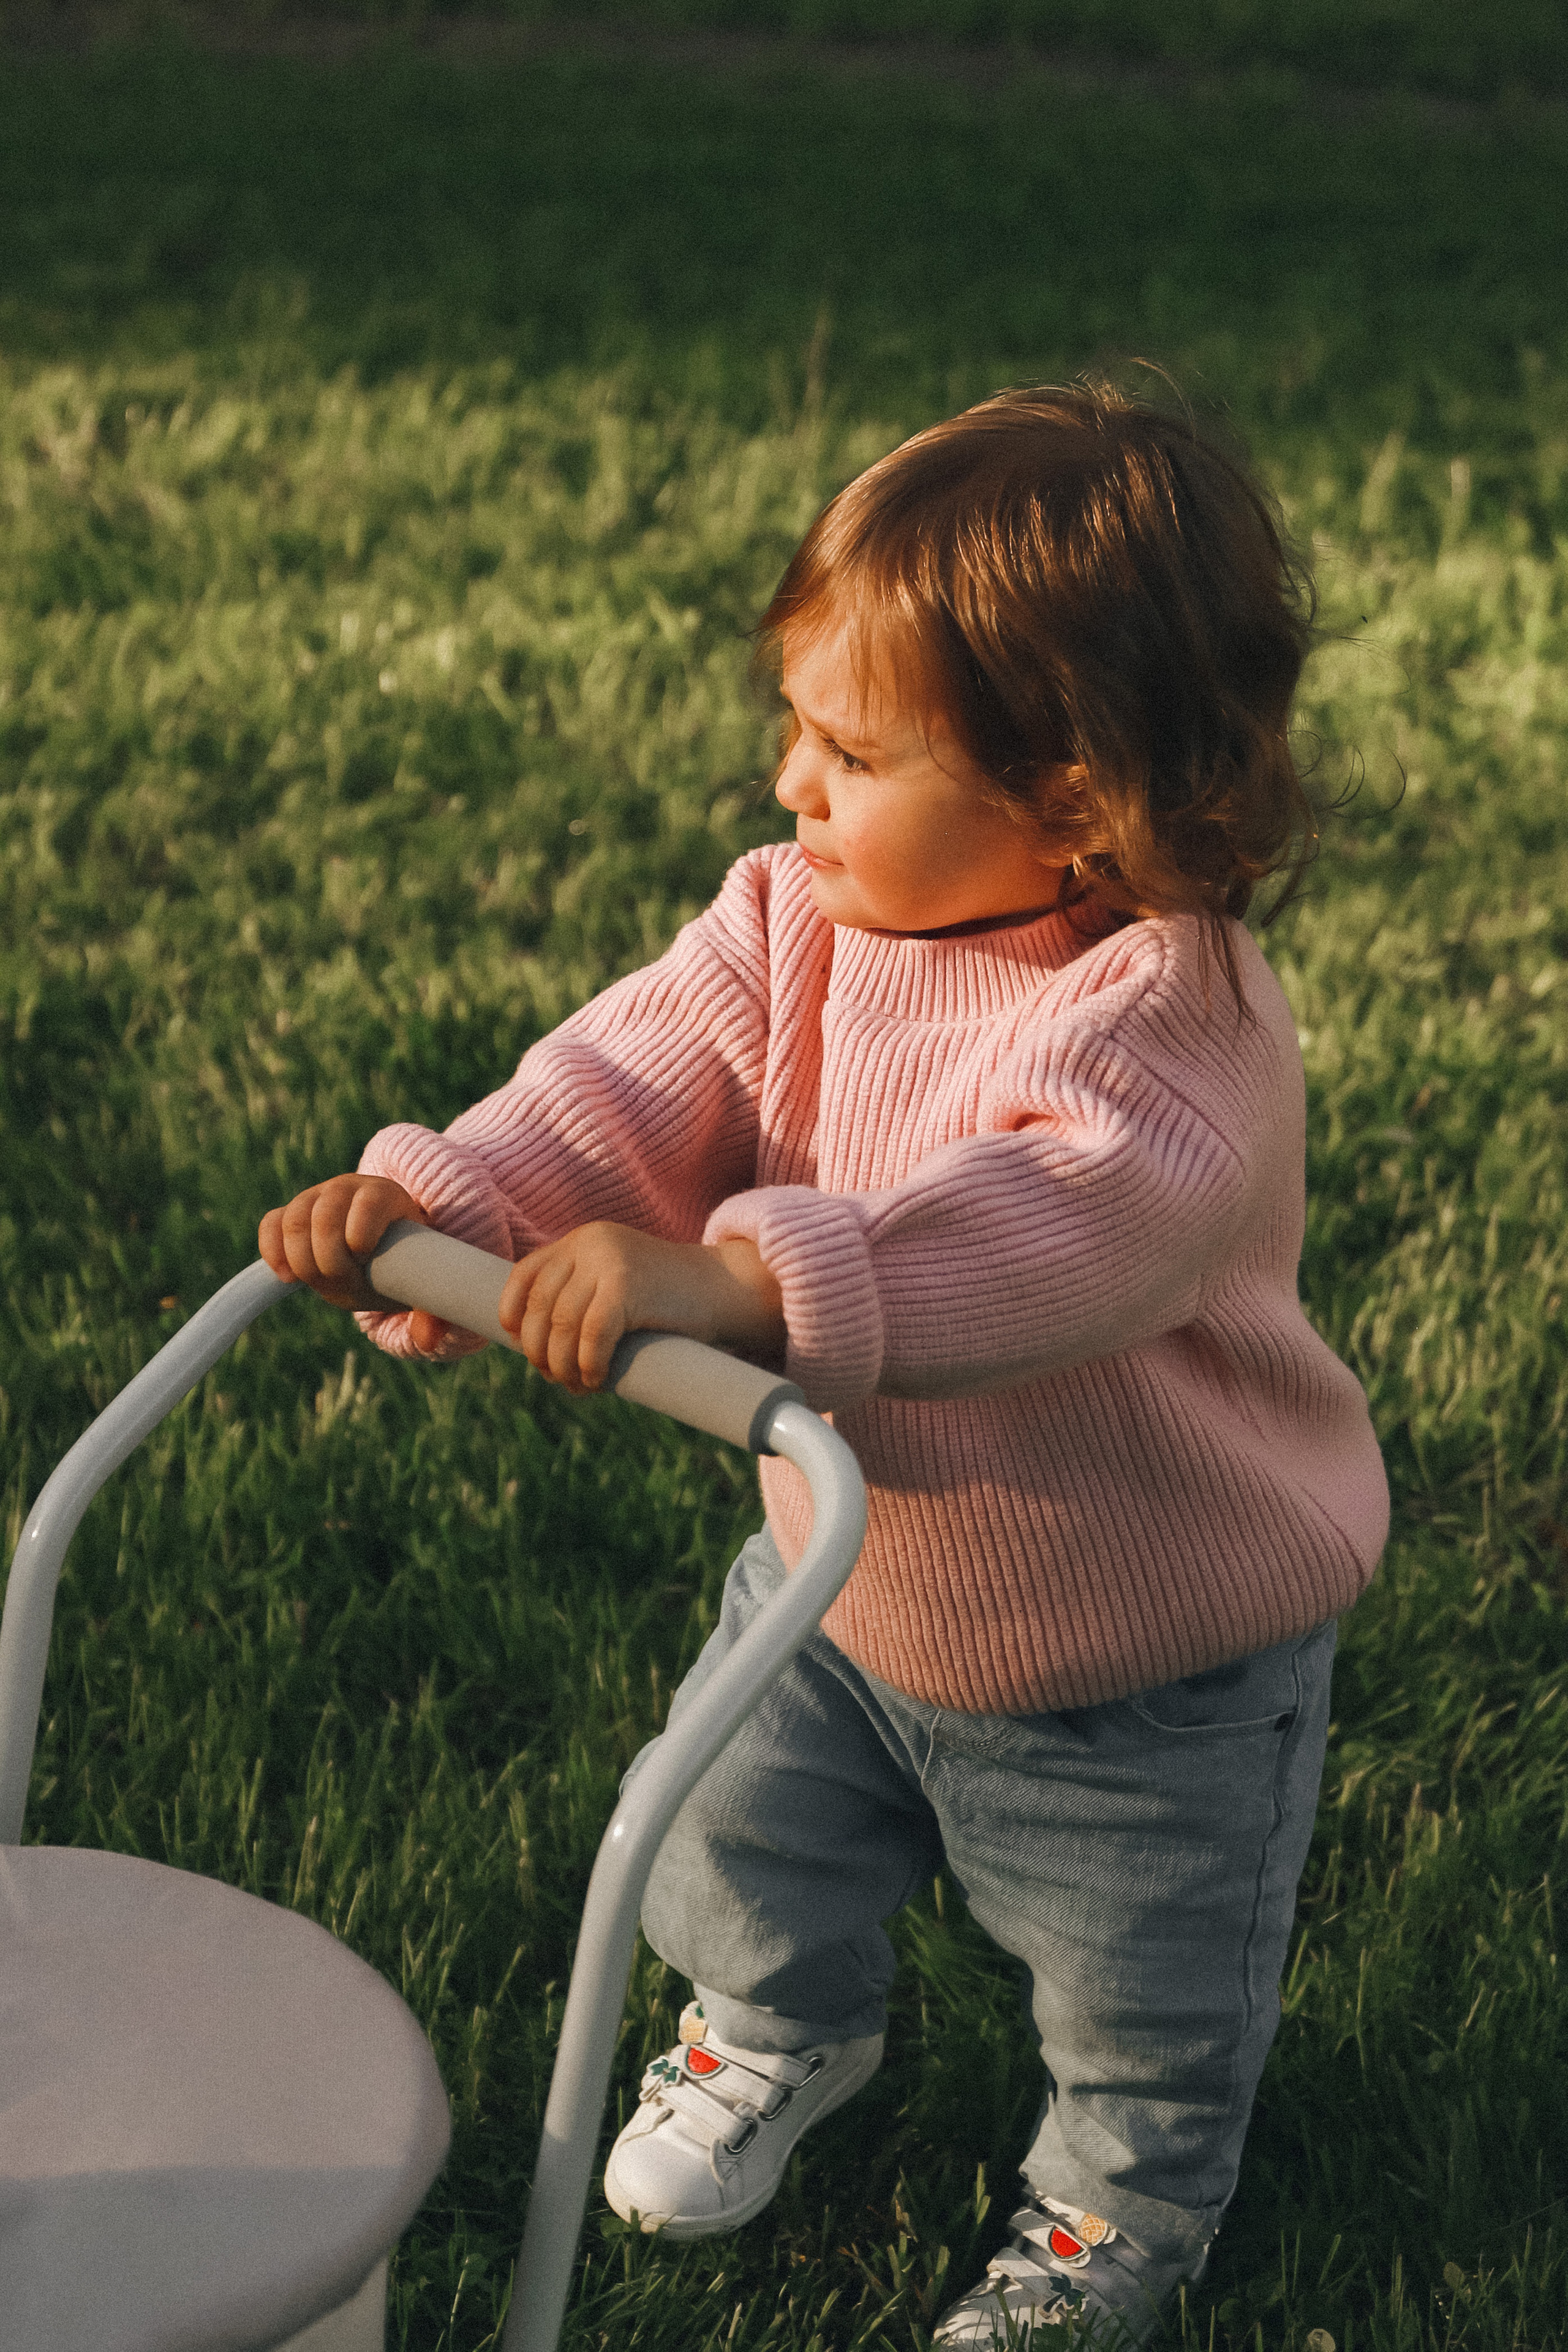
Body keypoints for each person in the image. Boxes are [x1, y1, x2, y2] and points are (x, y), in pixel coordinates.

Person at [260, 382, 1388, 2346]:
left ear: (1073, 795)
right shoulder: (801, 917)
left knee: (1144, 1985)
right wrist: (438, 1200)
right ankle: (783, 2029)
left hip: (1147, 1666)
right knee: (726, 1842)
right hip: (842, 1578)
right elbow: (630, 1073)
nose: (791, 782)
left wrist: (739, 1285)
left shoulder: (1166, 1029)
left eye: (851, 749)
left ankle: (1120, 2213)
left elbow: (1041, 1232)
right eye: (798, 725)